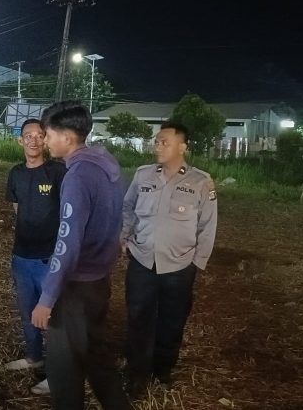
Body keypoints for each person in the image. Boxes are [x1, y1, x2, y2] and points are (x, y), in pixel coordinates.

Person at [30, 101, 131, 409]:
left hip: (76, 287)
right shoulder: (106, 165)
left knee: (63, 369)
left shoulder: (77, 175)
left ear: (67, 137)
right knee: (96, 356)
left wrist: (47, 298)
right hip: (99, 280)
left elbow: (68, 241)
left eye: (48, 135)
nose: (45, 142)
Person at [120, 121, 218, 398]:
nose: (158, 146)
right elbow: (128, 207)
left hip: (179, 265)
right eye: (156, 141)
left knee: (172, 321)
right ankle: (138, 373)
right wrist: (124, 236)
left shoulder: (200, 181)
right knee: (138, 317)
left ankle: (162, 370)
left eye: (165, 142)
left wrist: (197, 262)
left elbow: (208, 225)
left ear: (182, 147)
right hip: (142, 260)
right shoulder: (143, 175)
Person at [4, 118, 67, 395]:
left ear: (46, 140)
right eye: (27, 135)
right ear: (20, 140)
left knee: (53, 319)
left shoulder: (57, 172)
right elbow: (18, 209)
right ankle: (33, 357)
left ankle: (56, 374)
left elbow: (68, 211)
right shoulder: (16, 173)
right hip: (21, 257)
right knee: (28, 313)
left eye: (39, 135)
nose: (33, 140)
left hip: (49, 259)